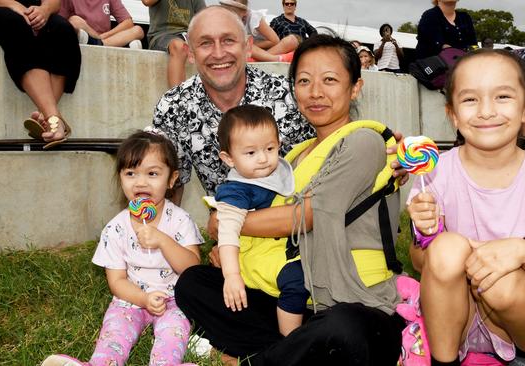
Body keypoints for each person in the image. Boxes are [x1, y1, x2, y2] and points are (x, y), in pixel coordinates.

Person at [175, 33, 405, 366]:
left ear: (355, 88)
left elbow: (312, 214)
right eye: (304, 81)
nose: (315, 92)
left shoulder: (365, 142)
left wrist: (229, 222)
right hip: (295, 297)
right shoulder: (292, 156)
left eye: (330, 80)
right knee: (194, 284)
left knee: (343, 331)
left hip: (353, 301)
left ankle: (257, 359)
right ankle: (291, 351)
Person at [408, 49, 525, 366]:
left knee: (501, 281)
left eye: (502, 97)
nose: (486, 111)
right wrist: (427, 233)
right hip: (456, 314)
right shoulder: (433, 174)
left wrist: (522, 252)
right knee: (447, 247)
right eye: (470, 100)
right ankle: (445, 362)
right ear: (452, 113)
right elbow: (420, 263)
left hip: (520, 316)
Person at [40, 131, 204, 366]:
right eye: (130, 173)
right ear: (120, 178)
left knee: (172, 334)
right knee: (114, 335)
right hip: (130, 298)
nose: (140, 182)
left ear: (171, 179)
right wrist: (143, 298)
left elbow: (192, 269)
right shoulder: (116, 228)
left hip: (175, 299)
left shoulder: (180, 220)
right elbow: (116, 281)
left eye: (152, 173)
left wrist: (163, 241)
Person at [151, 5, 315, 201]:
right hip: (229, 224)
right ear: (191, 53)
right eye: (205, 43)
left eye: (228, 40)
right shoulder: (174, 107)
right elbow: (170, 188)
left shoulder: (289, 97)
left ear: (247, 47)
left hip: (296, 221)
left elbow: (324, 170)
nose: (219, 53)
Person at [212, 104, 306, 337]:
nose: (263, 158)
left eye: (270, 148)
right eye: (251, 153)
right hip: (252, 256)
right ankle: (290, 340)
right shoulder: (236, 191)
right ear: (229, 158)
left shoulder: (276, 174)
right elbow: (227, 233)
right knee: (297, 279)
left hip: (279, 248)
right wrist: (232, 276)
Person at [0, 0, 80, 149]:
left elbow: (54, 3)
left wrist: (45, 10)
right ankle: (53, 118)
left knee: (63, 29)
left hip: (32, 12)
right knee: (16, 24)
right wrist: (12, 4)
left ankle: (45, 119)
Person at [142, 0, 205, 88]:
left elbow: (204, 19)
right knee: (180, 46)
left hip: (188, 36)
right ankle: (178, 100)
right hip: (162, 35)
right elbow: (146, 1)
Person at [218, 0, 296, 62]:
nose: (231, 18)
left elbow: (275, 41)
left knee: (292, 40)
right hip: (250, 52)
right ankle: (273, 59)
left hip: (269, 49)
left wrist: (252, 45)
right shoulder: (228, 23)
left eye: (234, 14)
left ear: (245, 12)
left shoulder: (253, 17)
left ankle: (270, 59)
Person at [58, 0, 144, 48]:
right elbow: (61, 22)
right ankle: (98, 42)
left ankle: (98, 43)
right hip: (83, 38)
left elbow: (128, 22)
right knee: (75, 21)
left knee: (138, 30)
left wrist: (103, 37)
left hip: (104, 38)